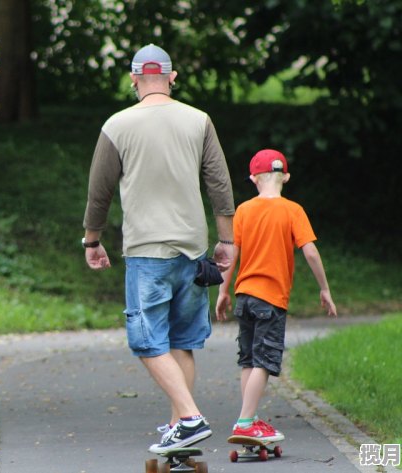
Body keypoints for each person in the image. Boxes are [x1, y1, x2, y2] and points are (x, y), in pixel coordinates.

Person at [81, 44, 236, 453]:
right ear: (172, 77)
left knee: (147, 341)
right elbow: (219, 186)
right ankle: (179, 433)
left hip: (148, 251)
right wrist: (226, 241)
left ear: (133, 79)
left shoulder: (117, 125)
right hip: (192, 251)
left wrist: (92, 240)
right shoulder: (199, 120)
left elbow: (99, 193)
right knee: (181, 342)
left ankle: (188, 418)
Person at [215, 149, 337, 440]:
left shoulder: (243, 210)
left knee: (248, 360)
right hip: (270, 299)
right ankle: (245, 423)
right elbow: (310, 251)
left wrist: (222, 290)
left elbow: (232, 253)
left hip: (244, 296)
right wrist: (324, 288)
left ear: (254, 178)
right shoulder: (293, 210)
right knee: (264, 361)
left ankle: (250, 419)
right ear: (286, 177)